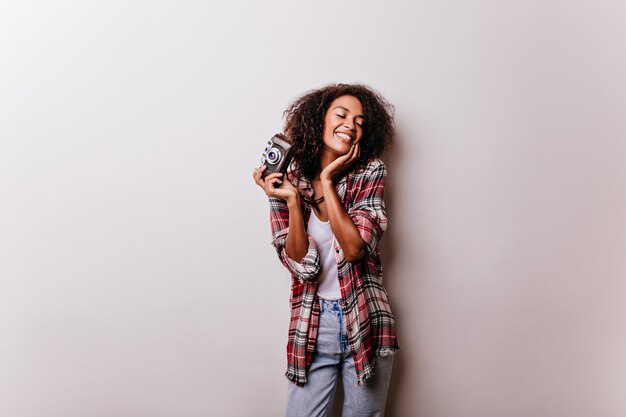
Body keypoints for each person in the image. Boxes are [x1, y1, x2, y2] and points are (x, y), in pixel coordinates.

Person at [253, 83, 399, 417]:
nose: (351, 124)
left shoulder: (369, 172)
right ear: (320, 119)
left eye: (360, 121)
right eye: (342, 114)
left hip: (367, 322)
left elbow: (354, 249)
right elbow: (302, 265)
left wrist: (329, 181)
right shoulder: (287, 179)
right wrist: (290, 201)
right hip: (313, 323)